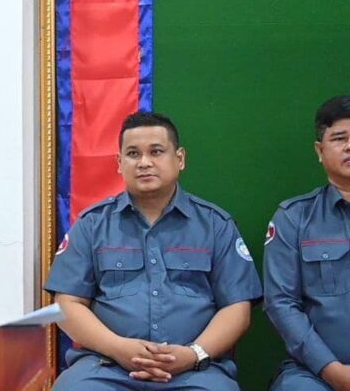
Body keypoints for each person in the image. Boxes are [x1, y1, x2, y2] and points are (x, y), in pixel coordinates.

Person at [46, 111, 261, 390]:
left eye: (156, 152)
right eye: (133, 154)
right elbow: (67, 304)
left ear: (180, 158)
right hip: (106, 368)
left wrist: (193, 354)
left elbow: (237, 308)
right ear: (119, 163)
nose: (145, 162)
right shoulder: (92, 224)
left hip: (195, 369)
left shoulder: (215, 225)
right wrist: (119, 348)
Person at [265, 94, 350, 391]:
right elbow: (281, 303)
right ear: (320, 150)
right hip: (314, 373)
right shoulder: (294, 218)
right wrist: (333, 372)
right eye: (340, 138)